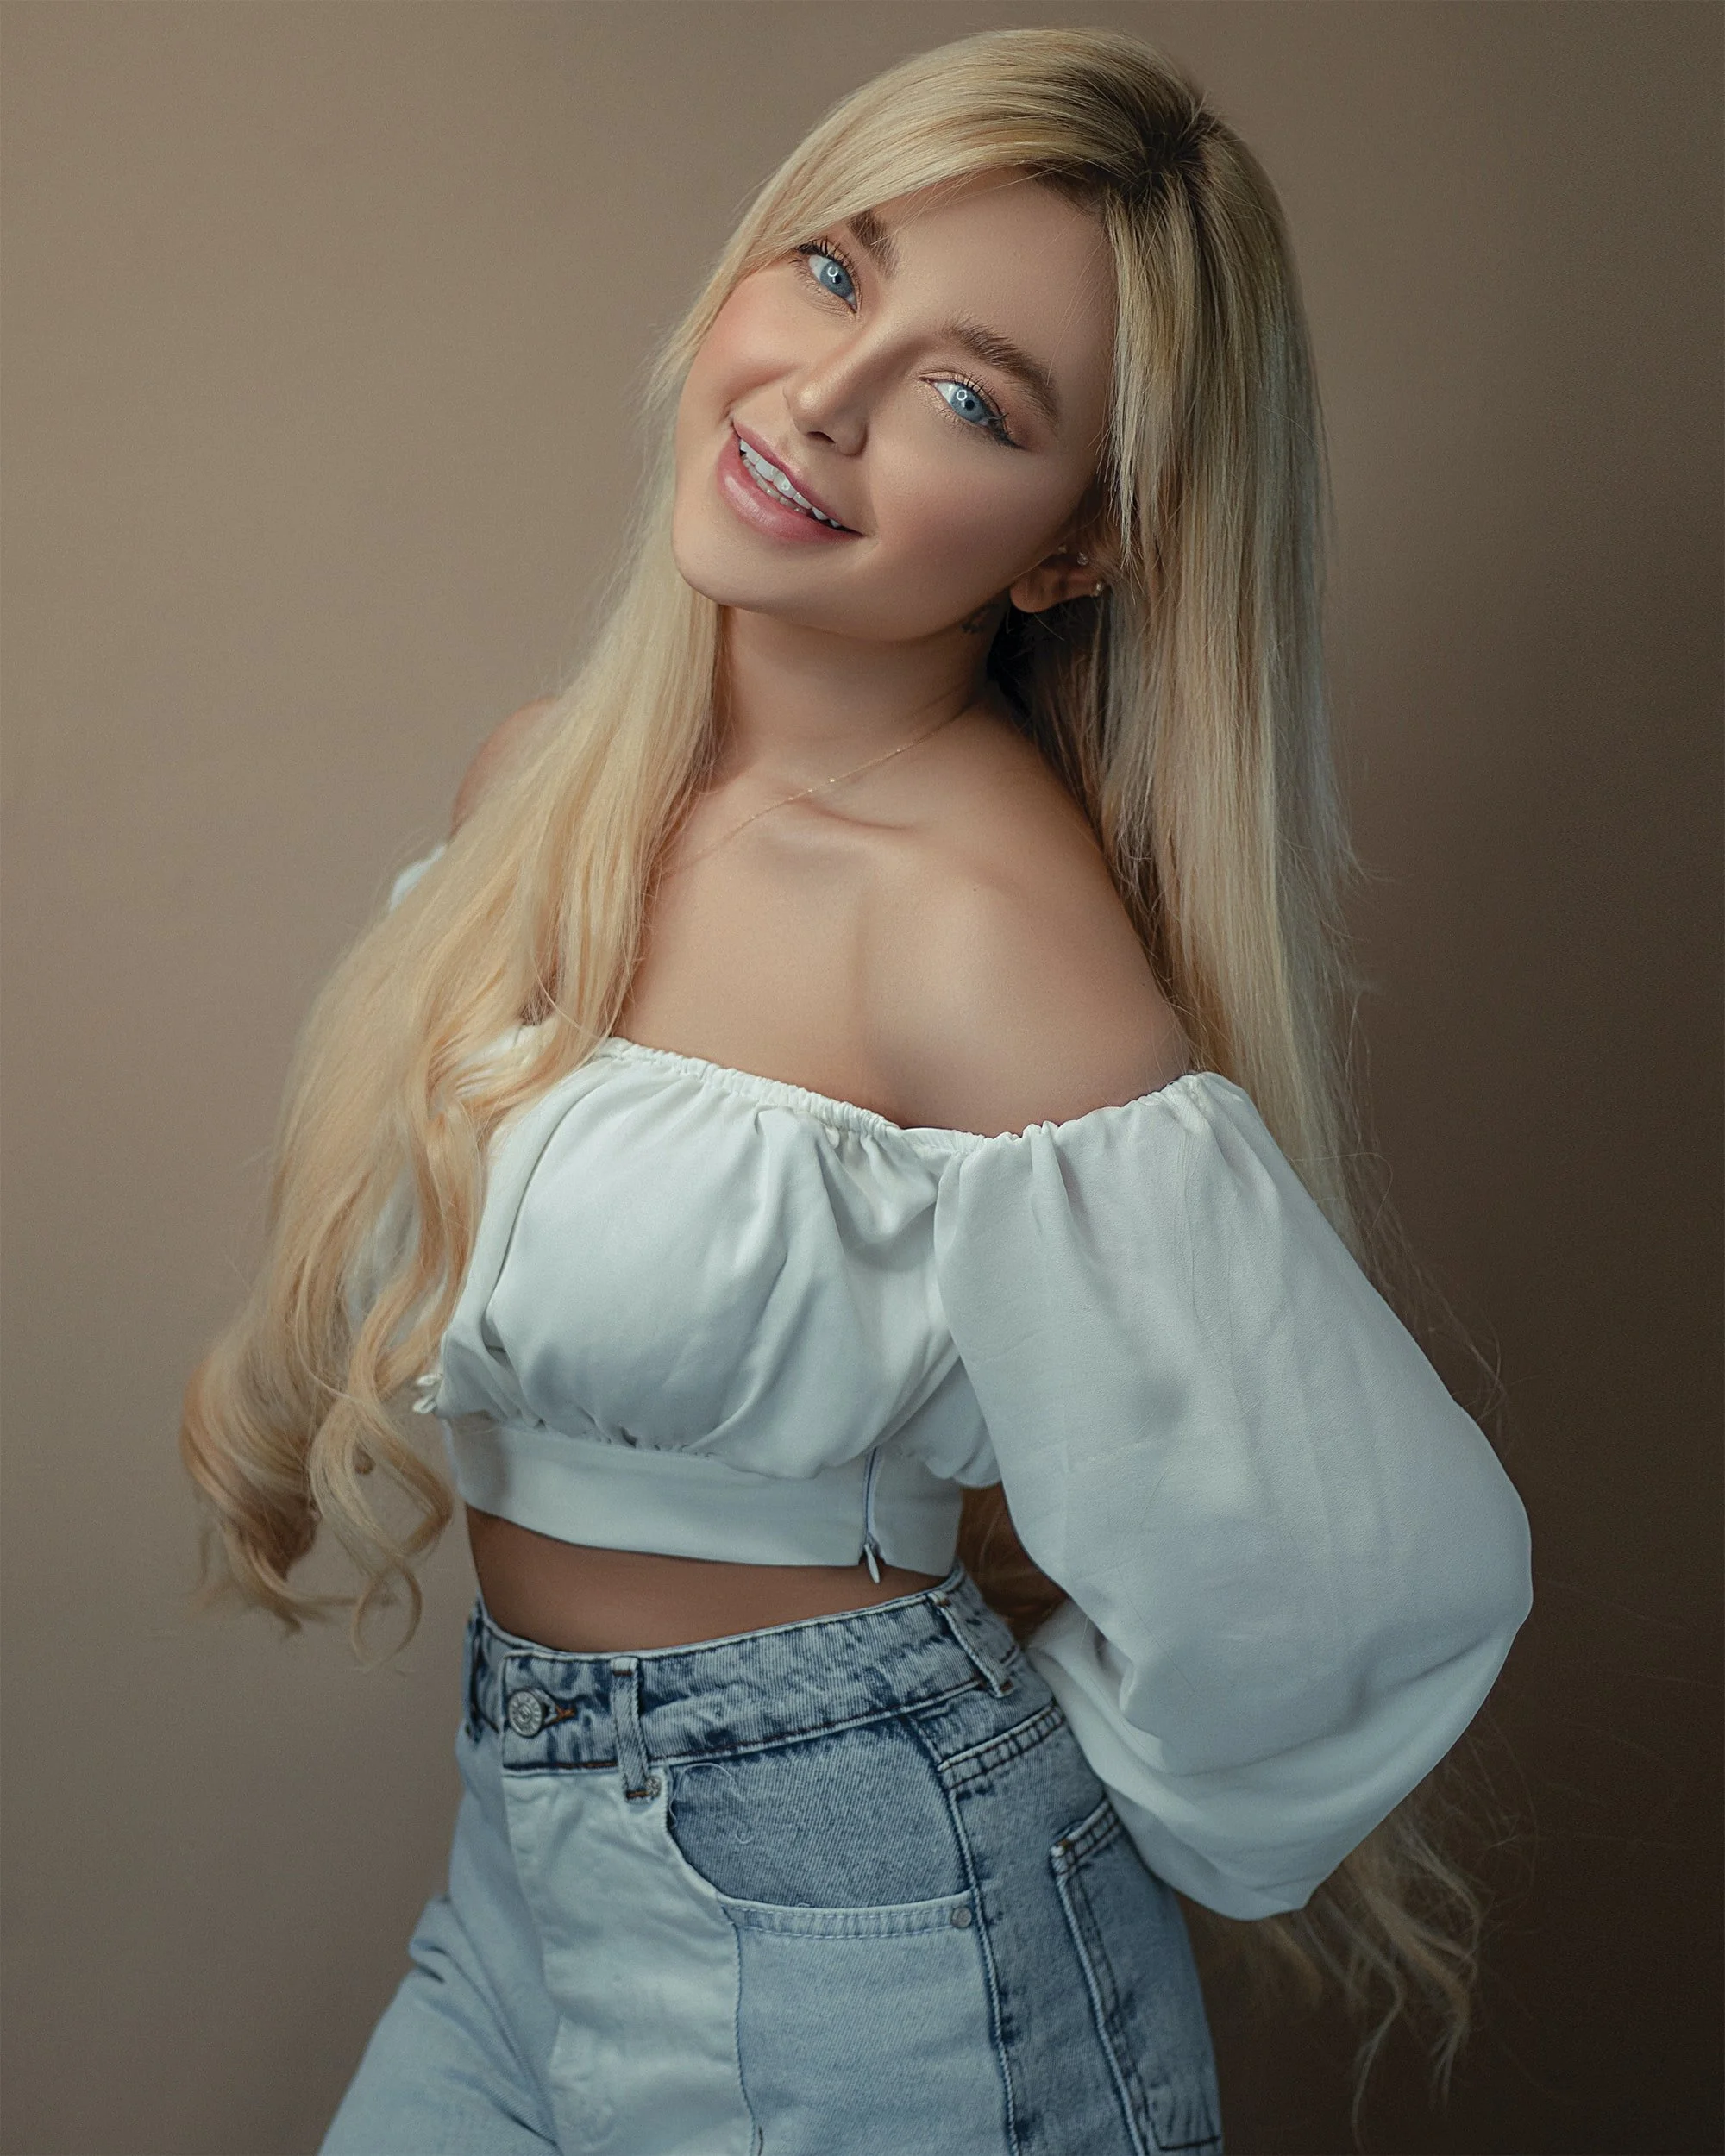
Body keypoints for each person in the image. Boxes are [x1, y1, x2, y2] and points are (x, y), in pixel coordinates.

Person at [180, 27, 1534, 2154]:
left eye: (969, 396)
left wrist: (914, 1738)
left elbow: (1360, 1579)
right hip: (528, 1863)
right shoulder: (547, 786)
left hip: (878, 1934)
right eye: (831, 270)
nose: (823, 394)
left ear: (1075, 544)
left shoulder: (977, 929)